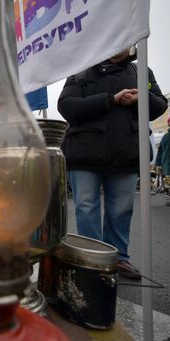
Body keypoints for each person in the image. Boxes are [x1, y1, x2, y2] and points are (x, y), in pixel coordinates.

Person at [58, 47, 167, 280]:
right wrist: (111, 100)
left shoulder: (141, 71)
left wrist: (143, 98)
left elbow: (159, 106)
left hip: (127, 151)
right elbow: (67, 106)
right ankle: (93, 258)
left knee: (121, 209)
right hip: (84, 153)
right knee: (86, 207)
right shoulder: (82, 71)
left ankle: (119, 258)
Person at [155, 116, 170, 206]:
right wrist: (158, 164)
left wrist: (158, 164)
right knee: (168, 183)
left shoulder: (165, 137)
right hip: (166, 165)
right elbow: (160, 151)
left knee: (168, 182)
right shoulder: (165, 137)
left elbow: (160, 152)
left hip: (166, 165)